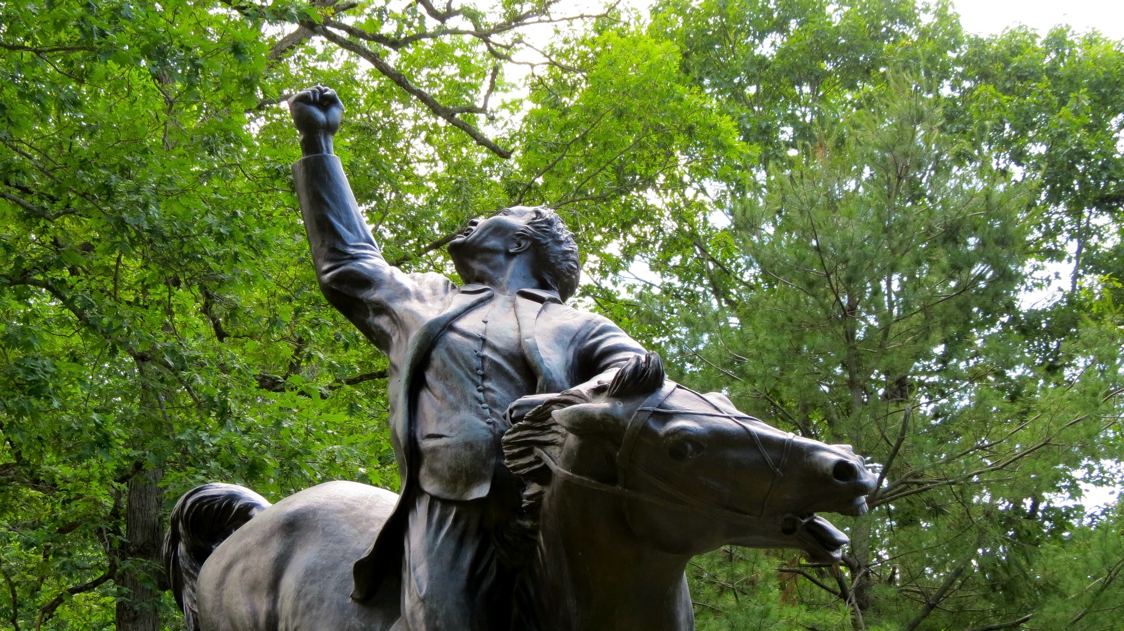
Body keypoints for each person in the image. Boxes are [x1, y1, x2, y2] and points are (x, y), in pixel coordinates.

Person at [288, 85, 646, 630]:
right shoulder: (422, 301)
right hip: (450, 510)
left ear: (522, 242)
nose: (477, 218)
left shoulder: (579, 326)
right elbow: (347, 261)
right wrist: (319, 144)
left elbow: (642, 382)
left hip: (559, 516)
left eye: (500, 214)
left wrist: (555, 412)